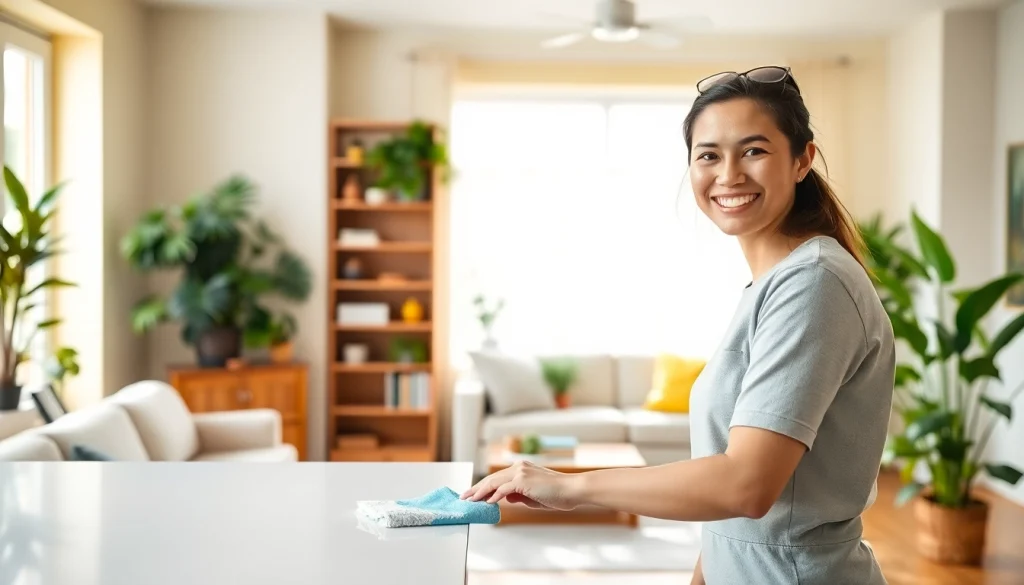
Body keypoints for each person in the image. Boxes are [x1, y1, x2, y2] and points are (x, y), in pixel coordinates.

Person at [460, 66, 895, 585]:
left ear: (803, 160)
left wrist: (573, 487)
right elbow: (729, 503)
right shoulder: (773, 284)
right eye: (708, 154)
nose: (728, 173)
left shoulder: (813, 283)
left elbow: (746, 485)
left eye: (754, 150)